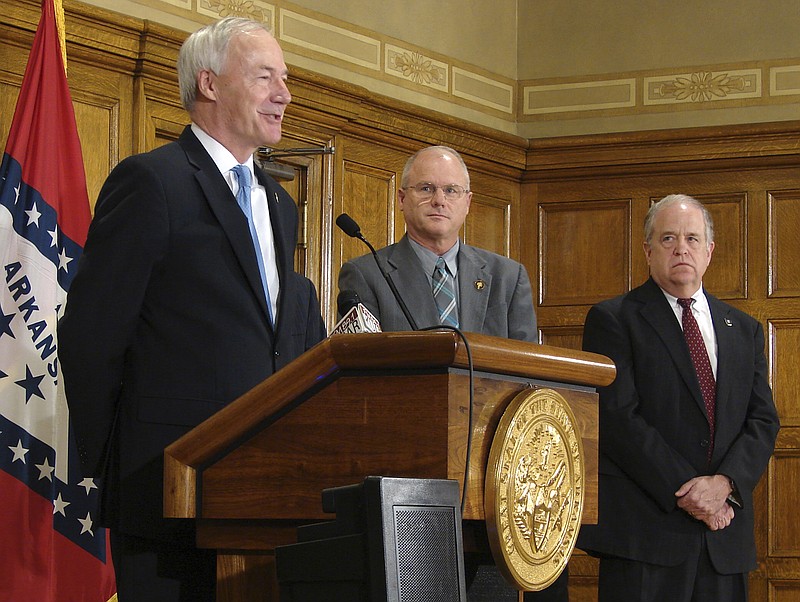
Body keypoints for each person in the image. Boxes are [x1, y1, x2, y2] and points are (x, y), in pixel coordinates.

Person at [58, 17, 326, 601]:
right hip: (165, 489)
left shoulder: (279, 203)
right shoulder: (152, 182)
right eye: (265, 77)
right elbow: (90, 338)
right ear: (209, 84)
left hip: (264, 492)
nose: (284, 93)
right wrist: (118, 463)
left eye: (285, 78)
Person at [338, 145, 568, 601]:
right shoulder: (366, 273)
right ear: (401, 199)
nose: (438, 199)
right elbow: (360, 387)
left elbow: (529, 378)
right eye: (426, 189)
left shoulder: (507, 277)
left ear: (467, 201)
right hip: (409, 486)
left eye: (450, 190)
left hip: (493, 485)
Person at [577, 194, 780, 601]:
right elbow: (618, 418)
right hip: (645, 536)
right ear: (648, 250)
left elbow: (762, 421)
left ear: (709, 251)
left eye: (692, 238)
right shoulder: (613, 319)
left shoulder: (744, 328)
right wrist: (690, 492)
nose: (681, 248)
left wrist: (725, 485)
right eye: (668, 238)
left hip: (723, 537)